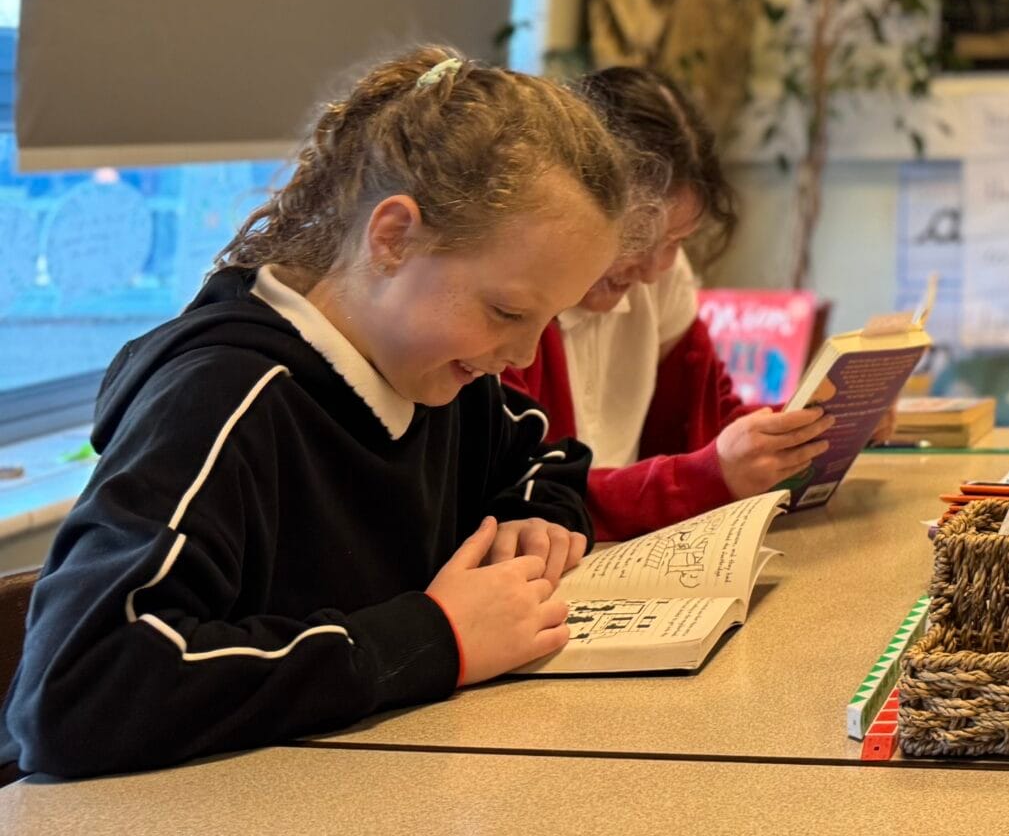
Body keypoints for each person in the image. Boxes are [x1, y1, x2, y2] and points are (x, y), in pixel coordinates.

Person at [3, 49, 636, 779]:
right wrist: (431, 638)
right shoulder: (220, 400)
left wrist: (540, 520)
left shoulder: (438, 376)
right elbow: (78, 690)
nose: (523, 354)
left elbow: (544, 457)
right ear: (394, 237)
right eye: (507, 311)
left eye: (547, 322)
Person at [504, 67, 830, 540]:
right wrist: (710, 476)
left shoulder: (658, 279)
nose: (655, 268)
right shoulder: (513, 309)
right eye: (638, 237)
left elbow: (711, 422)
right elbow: (526, 494)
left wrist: (816, 424)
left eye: (677, 240)